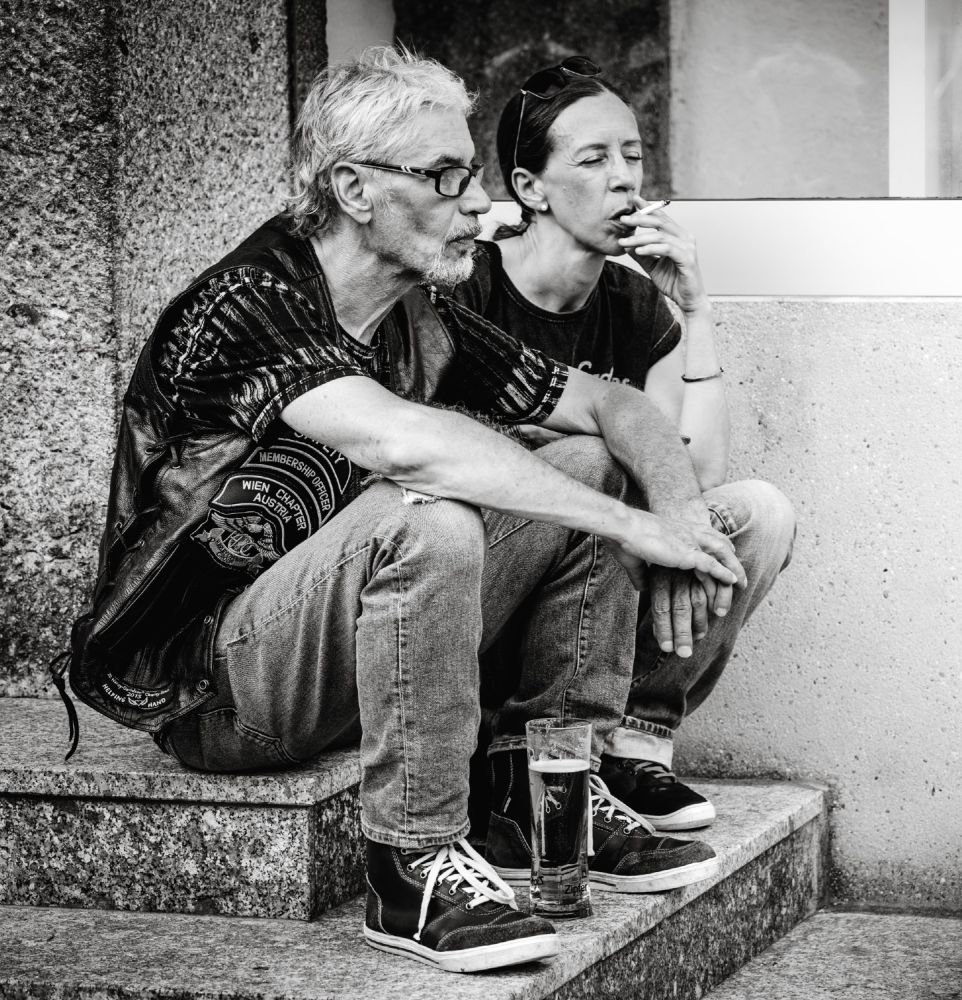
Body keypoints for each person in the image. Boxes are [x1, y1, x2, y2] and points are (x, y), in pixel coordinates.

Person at [60, 47, 746, 975]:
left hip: (338, 651)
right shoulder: (250, 302)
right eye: (445, 176)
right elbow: (402, 444)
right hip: (218, 688)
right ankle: (412, 866)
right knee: (425, 514)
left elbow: (609, 405)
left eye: (471, 174)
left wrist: (679, 514)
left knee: (589, 463)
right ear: (354, 188)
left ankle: (538, 786)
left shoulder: (417, 311)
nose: (478, 203)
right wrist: (631, 527)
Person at [451, 56, 795, 836]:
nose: (623, 179)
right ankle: (528, 742)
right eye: (593, 159)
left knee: (758, 514)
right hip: (491, 587)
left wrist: (694, 309)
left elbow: (693, 472)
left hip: (602, 583)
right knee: (603, 473)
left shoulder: (632, 302)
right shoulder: (469, 288)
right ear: (530, 187)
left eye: (632, 156)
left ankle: (631, 747)